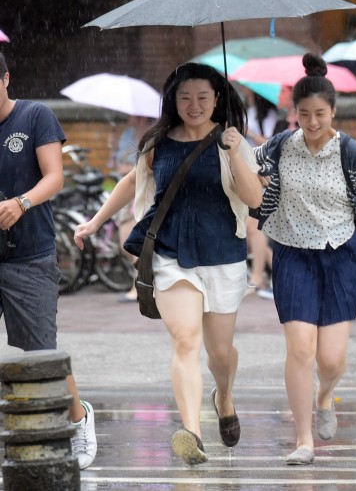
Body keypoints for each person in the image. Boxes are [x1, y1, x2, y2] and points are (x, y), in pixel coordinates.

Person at [74, 62, 263, 465]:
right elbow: (131, 181)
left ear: (217, 100)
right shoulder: (158, 141)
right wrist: (95, 221)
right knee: (185, 340)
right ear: (173, 101)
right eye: (184, 97)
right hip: (170, 254)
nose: (193, 105)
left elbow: (254, 199)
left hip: (222, 255)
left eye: (202, 97)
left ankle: (223, 396)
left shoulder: (231, 141)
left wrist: (233, 153)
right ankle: (191, 431)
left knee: (220, 353)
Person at [253, 53, 356, 465]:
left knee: (331, 360)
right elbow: (239, 167)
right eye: (304, 114)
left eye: (320, 114)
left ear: (333, 112)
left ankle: (326, 396)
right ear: (294, 112)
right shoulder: (279, 147)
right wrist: (234, 147)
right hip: (292, 255)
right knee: (301, 350)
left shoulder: (352, 153)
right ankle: (303, 439)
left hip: (342, 255)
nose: (311, 123)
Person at [0, 51, 97, 470]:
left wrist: (20, 203)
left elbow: (54, 177)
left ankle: (79, 420)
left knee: (40, 352)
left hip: (29, 255)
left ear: (5, 78)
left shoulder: (34, 116)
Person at [241, 87, 279, 299]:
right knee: (251, 228)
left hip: (263, 175)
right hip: (247, 174)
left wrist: (250, 134)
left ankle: (258, 277)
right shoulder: (247, 111)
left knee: (255, 227)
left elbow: (273, 145)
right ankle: (276, 273)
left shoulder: (270, 116)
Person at [116, 115, 154, 302]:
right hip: (128, 192)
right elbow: (121, 166)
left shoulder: (154, 135)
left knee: (135, 241)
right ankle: (142, 282)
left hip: (146, 193)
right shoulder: (127, 135)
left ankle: (138, 285)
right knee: (126, 242)